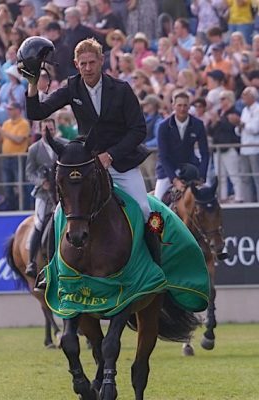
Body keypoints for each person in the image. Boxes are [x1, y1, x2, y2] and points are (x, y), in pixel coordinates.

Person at [23, 37, 161, 270]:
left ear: (101, 61)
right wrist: (32, 83)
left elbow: (139, 130)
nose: (87, 68)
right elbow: (38, 111)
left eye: (91, 62)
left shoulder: (121, 89)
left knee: (146, 210)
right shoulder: (72, 87)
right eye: (83, 63)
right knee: (59, 215)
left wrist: (112, 155)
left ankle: (157, 267)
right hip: (87, 164)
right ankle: (51, 269)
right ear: (76, 64)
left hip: (121, 162)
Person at [23, 119, 66, 278]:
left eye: (51, 129)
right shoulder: (34, 149)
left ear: (55, 129)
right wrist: (42, 182)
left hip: (63, 192)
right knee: (39, 222)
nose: (48, 132)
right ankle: (32, 261)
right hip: (44, 193)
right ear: (40, 131)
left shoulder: (64, 144)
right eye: (45, 129)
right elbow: (29, 172)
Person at [154, 91, 209, 200]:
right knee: (157, 203)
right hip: (167, 170)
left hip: (191, 168)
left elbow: (205, 153)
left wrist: (201, 176)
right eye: (179, 105)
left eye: (185, 105)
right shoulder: (164, 126)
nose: (182, 109)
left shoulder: (198, 124)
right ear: (173, 106)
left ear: (189, 107)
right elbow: (163, 156)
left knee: (208, 198)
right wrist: (174, 179)